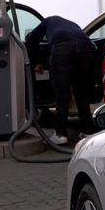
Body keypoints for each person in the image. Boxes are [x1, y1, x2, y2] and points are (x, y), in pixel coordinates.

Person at [24, 15, 95, 145]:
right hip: (85, 47)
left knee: (62, 92)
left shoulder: (46, 22)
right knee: (80, 91)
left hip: (63, 49)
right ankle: (88, 131)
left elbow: (31, 43)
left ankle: (60, 134)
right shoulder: (69, 24)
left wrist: (35, 62)